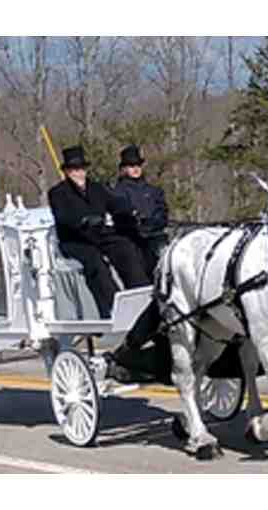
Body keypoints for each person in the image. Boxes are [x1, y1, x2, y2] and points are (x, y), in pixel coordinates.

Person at [48, 145, 170, 383]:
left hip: (99, 234)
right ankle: (111, 306)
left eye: (81, 169)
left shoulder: (97, 188)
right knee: (94, 262)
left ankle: (141, 294)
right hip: (75, 240)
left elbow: (116, 205)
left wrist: (132, 214)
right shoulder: (58, 193)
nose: (79, 173)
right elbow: (64, 217)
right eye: (74, 170)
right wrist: (83, 220)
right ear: (66, 172)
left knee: (125, 249)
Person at [113, 144, 169, 278]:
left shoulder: (153, 190)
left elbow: (162, 211)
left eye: (138, 165)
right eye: (132, 166)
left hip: (156, 238)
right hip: (134, 242)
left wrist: (154, 223)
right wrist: (137, 224)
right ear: (124, 169)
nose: (136, 169)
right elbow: (120, 216)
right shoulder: (118, 192)